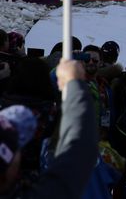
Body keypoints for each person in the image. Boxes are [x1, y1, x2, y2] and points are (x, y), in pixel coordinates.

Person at [0, 59, 97, 199]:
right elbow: (79, 149)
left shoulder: (4, 102)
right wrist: (75, 84)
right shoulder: (50, 111)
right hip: (41, 172)